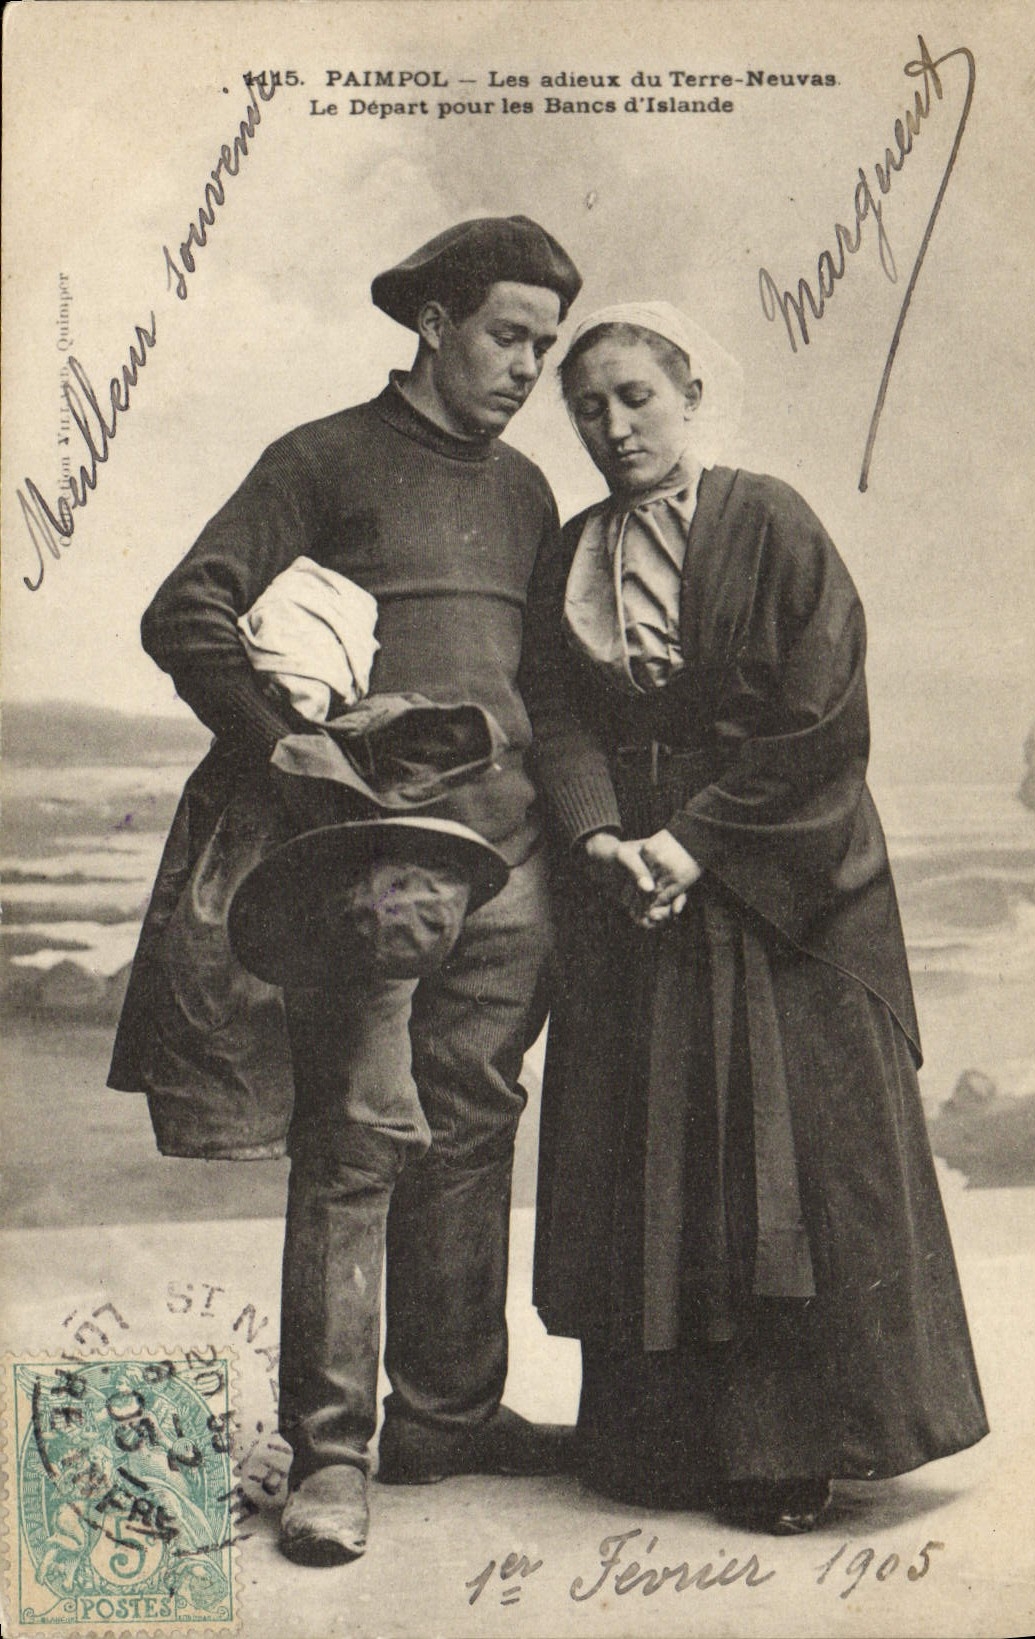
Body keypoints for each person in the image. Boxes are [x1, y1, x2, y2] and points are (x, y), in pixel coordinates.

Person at [120, 217, 582, 1565]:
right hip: (371, 868)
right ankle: (332, 1454)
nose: (525, 368)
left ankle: (445, 1415)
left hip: (513, 869)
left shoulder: (530, 491)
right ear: (433, 322)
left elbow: (543, 685)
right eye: (508, 334)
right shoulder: (320, 457)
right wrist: (285, 742)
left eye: (544, 348)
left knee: (475, 1123)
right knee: (357, 1136)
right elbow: (187, 610)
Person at [525, 302, 989, 1535]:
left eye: (636, 397)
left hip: (777, 883)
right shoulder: (571, 548)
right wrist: (600, 838)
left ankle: (788, 1452)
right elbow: (556, 714)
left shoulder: (768, 517)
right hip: (631, 886)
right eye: (587, 406)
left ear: (690, 396)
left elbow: (822, 711)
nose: (612, 425)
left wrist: (694, 840)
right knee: (650, 1153)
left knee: (773, 1155)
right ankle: (660, 1441)